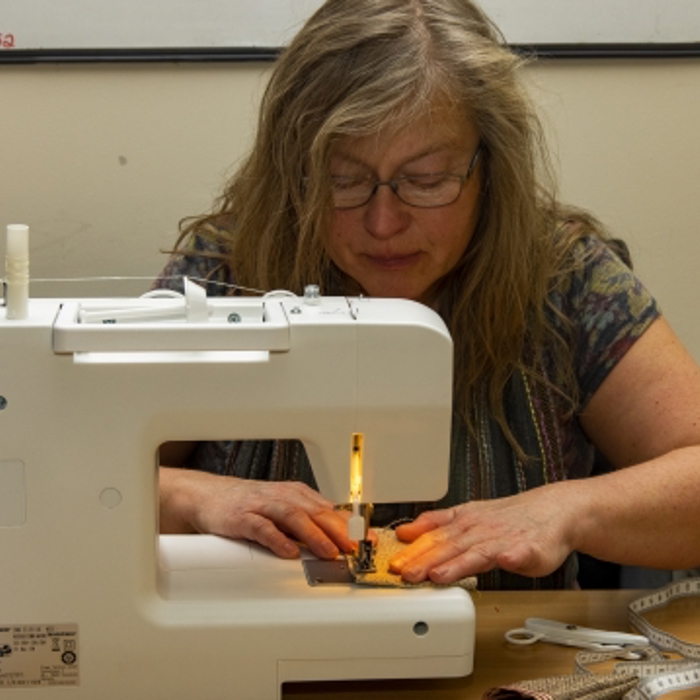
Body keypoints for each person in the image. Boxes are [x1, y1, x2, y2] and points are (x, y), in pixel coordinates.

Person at [155, 0, 700, 590]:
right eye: (344, 181)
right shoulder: (229, 270)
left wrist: (569, 510)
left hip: (504, 656)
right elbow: (68, 469)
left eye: (427, 180)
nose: (384, 222)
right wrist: (192, 495)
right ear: (294, 171)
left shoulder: (567, 282)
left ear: (490, 169)